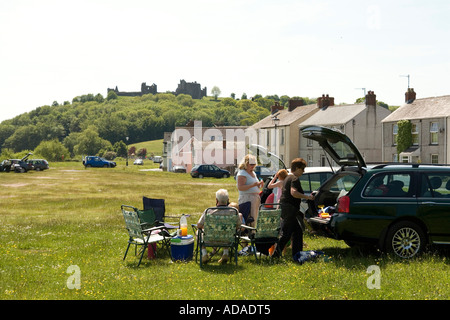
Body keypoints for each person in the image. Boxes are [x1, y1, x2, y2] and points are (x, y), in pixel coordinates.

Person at [275, 158, 314, 259]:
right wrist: (307, 197)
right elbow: (293, 192)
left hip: (285, 208)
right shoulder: (294, 179)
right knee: (286, 234)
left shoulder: (287, 178)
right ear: (297, 168)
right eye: (302, 169)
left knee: (297, 231)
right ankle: (275, 255)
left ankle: (297, 254)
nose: (303, 171)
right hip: (290, 209)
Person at [197, 189, 242, 264]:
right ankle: (225, 253)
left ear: (216, 200)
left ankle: (204, 253)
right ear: (228, 200)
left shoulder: (209, 211)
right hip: (228, 240)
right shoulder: (234, 211)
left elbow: (199, 225)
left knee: (197, 232)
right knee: (226, 231)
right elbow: (238, 226)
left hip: (210, 239)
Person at [236, 154, 263, 227]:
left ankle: (253, 233)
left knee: (254, 217)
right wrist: (253, 185)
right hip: (247, 198)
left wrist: (259, 185)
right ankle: (249, 233)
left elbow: (255, 185)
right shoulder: (242, 173)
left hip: (255, 197)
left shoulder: (253, 172)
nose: (253, 166)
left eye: (254, 164)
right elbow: (240, 187)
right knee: (248, 217)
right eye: (251, 164)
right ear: (246, 163)